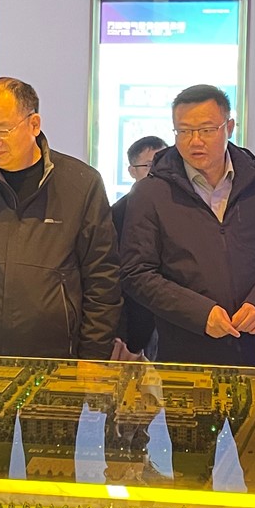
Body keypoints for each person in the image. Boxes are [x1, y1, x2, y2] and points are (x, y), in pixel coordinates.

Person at [0, 77, 121, 359]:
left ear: (34, 124)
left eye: (2, 130)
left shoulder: (81, 184)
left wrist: (94, 357)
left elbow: (102, 280)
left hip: (56, 355)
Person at [120, 85, 255, 365]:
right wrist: (200, 313)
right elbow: (136, 272)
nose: (195, 141)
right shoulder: (151, 193)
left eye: (206, 130)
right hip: (185, 349)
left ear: (228, 127)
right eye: (184, 131)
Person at [111, 135, 167, 359]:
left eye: (164, 163)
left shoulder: (182, 207)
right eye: (150, 165)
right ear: (132, 171)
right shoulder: (117, 213)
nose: (159, 171)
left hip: (174, 315)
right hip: (135, 318)